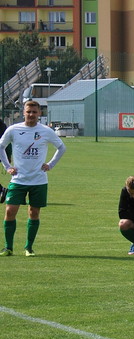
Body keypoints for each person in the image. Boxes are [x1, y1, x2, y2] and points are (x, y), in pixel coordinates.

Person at [0, 100, 66, 257]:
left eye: (34, 112)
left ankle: (28, 248)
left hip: (39, 180)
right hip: (18, 179)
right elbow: (1, 146)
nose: (31, 115)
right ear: (23, 112)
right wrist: (7, 166)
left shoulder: (45, 131)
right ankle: (8, 247)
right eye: (28, 112)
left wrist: (50, 165)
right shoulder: (14, 129)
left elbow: (62, 147)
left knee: (34, 213)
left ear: (39, 114)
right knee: (10, 211)